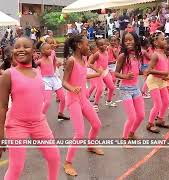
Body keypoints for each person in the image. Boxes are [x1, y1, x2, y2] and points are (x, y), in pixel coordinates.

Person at [0, 37, 60, 180]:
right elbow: (2, 107)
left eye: (26, 46)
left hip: (39, 123)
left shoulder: (37, 72)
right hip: (17, 125)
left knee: (54, 157)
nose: (21, 49)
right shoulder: (8, 74)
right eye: (17, 47)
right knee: (16, 167)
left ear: (34, 52)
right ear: (13, 52)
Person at [63, 34, 103, 176]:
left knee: (97, 124)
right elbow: (64, 82)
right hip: (73, 100)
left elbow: (83, 76)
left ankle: (90, 146)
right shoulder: (71, 61)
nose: (89, 47)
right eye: (87, 44)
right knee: (79, 133)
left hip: (83, 98)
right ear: (79, 45)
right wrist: (72, 88)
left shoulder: (83, 59)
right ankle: (68, 162)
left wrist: (97, 75)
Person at [114, 31, 145, 140]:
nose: (128, 42)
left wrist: (146, 72)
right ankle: (125, 138)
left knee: (141, 115)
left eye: (130, 40)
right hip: (125, 90)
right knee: (132, 117)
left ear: (136, 41)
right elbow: (116, 73)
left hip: (136, 88)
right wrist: (125, 76)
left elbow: (138, 71)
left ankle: (131, 133)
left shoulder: (138, 55)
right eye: (125, 40)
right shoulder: (123, 56)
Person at [144, 31, 169, 133]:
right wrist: (163, 73)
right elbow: (148, 70)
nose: (165, 41)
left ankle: (160, 119)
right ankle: (150, 124)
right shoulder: (155, 55)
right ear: (156, 43)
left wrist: (167, 75)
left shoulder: (163, 54)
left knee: (166, 101)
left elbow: (166, 68)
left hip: (161, 80)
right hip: (153, 81)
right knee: (158, 104)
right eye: (163, 39)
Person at [35, 41, 69, 121]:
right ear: (42, 51)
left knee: (63, 98)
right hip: (45, 81)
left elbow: (54, 61)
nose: (50, 50)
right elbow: (31, 68)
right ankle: (40, 118)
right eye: (48, 49)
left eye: (50, 48)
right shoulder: (40, 61)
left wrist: (55, 67)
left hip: (54, 78)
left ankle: (60, 114)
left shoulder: (51, 55)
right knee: (47, 102)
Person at [89, 39, 118, 112]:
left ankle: (108, 101)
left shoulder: (106, 52)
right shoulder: (97, 54)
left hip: (105, 71)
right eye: (101, 45)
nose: (103, 46)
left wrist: (111, 62)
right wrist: (97, 70)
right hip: (98, 73)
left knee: (111, 87)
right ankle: (95, 104)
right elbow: (90, 64)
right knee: (100, 89)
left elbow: (105, 62)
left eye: (104, 44)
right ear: (98, 47)